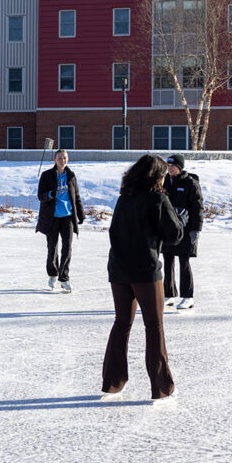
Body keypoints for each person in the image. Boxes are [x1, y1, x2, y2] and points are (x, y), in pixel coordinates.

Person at [102, 154, 184, 403]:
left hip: (118, 270)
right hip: (145, 271)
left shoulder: (123, 199)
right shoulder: (158, 198)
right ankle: (162, 387)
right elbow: (174, 235)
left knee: (122, 323)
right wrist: (181, 219)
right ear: (157, 176)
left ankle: (113, 382)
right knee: (154, 326)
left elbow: (114, 231)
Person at [35, 149, 85, 293]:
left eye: (64, 158)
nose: (62, 160)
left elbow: (76, 196)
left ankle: (64, 277)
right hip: (52, 217)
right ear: (55, 160)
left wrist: (81, 215)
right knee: (52, 247)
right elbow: (40, 195)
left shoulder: (71, 176)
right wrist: (50, 194)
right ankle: (53, 274)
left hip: (68, 217)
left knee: (67, 248)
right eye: (59, 158)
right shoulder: (46, 175)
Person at [162, 154, 203, 311]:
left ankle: (188, 297)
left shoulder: (190, 184)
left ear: (180, 166)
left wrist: (196, 230)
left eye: (173, 165)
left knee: (184, 262)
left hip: (186, 231)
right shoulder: (164, 182)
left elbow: (198, 208)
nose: (169, 168)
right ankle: (169, 295)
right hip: (168, 230)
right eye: (168, 165)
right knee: (167, 261)